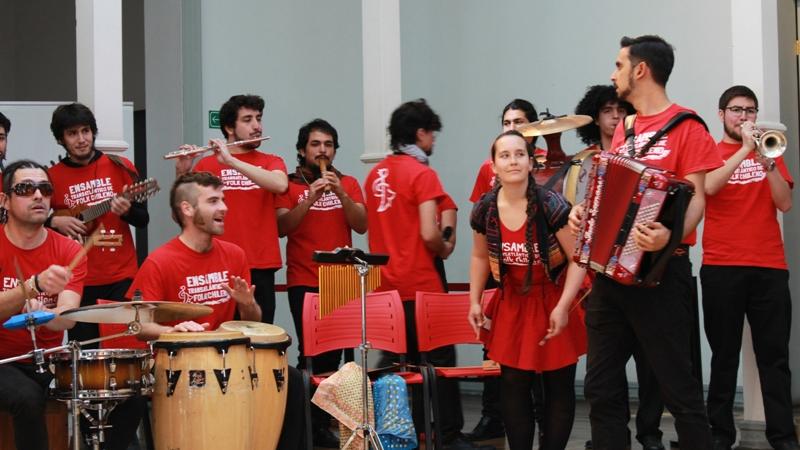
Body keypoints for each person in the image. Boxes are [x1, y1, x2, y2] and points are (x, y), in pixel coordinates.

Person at [568, 35, 722, 449]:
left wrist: (669, 234)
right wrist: (587, 212)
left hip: (661, 272)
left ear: (640, 70)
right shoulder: (626, 129)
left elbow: (696, 196)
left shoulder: (688, 126)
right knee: (600, 387)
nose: (612, 74)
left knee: (678, 387)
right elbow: (612, 187)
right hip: (611, 275)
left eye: (618, 65)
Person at [127, 169, 305, 450]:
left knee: (292, 378)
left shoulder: (234, 254)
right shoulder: (159, 262)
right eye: (213, 201)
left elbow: (252, 321)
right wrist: (172, 330)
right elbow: (138, 325)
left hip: (229, 356)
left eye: (223, 200)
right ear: (187, 209)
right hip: (179, 362)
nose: (224, 207)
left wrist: (247, 304)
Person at [365, 99, 489, 450]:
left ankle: (408, 433)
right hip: (420, 283)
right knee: (439, 365)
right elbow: (429, 233)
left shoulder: (375, 174)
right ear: (420, 133)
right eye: (431, 133)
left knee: (398, 365)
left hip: (385, 287)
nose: (433, 140)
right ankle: (446, 436)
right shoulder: (422, 173)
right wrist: (446, 246)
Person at [469, 130, 588, 450]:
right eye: (504, 156)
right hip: (513, 300)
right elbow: (480, 256)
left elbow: (578, 259)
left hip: (553, 296)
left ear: (531, 161)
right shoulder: (485, 208)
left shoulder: (551, 204)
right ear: (493, 166)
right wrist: (475, 300)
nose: (512, 161)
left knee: (558, 385)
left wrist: (563, 307)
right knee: (513, 385)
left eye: (519, 154)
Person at [702, 85, 798, 450]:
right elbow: (709, 187)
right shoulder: (710, 152)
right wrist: (744, 150)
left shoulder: (772, 151)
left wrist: (767, 161)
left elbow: (785, 204)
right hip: (722, 266)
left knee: (774, 357)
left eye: (750, 110)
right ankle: (719, 434)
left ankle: (783, 436)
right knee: (724, 356)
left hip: (769, 266)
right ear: (721, 113)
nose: (744, 116)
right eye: (736, 110)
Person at [575, 85, 666, 450]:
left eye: (619, 109)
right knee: (603, 373)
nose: (614, 116)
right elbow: (577, 211)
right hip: (600, 274)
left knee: (651, 363)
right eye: (607, 110)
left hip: (645, 267)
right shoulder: (585, 162)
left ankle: (650, 434)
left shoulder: (646, 153)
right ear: (595, 116)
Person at [275, 118, 366, 447]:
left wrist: (340, 192)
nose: (323, 150)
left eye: (328, 145)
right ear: (302, 150)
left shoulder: (350, 182)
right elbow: (282, 227)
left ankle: (336, 425)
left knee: (342, 359)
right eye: (316, 144)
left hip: (342, 280)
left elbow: (362, 224)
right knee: (312, 357)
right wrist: (309, 199)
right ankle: (310, 426)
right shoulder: (289, 185)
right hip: (304, 280)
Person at [467, 98, 547, 443]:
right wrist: (475, 298)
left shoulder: (546, 171)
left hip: (544, 282)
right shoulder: (489, 171)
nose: (511, 127)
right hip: (505, 279)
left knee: (545, 375)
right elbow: (479, 246)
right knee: (502, 366)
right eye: (506, 122)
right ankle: (492, 415)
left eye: (519, 122)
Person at [175, 94, 288, 324]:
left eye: (258, 118)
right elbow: (185, 215)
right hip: (217, 264)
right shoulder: (207, 165)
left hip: (260, 265)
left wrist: (232, 161)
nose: (257, 126)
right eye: (247, 120)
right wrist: (182, 172)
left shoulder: (271, 161)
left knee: (260, 341)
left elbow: (280, 184)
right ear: (229, 127)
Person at [46, 103, 149, 347]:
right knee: (83, 352)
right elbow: (35, 222)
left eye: (85, 131)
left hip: (121, 274)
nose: (81, 139)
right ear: (61, 139)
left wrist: (127, 211)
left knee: (123, 346)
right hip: (77, 279)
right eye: (72, 134)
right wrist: (55, 220)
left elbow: (143, 220)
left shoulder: (120, 166)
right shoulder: (51, 176)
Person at [0, 159, 86, 450]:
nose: (38, 195)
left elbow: (68, 318)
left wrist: (42, 313)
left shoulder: (69, 249)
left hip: (46, 360)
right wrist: (32, 286)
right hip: (1, 360)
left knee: (124, 395)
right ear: (5, 200)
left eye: (45, 189)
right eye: (25, 188)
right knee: (27, 397)